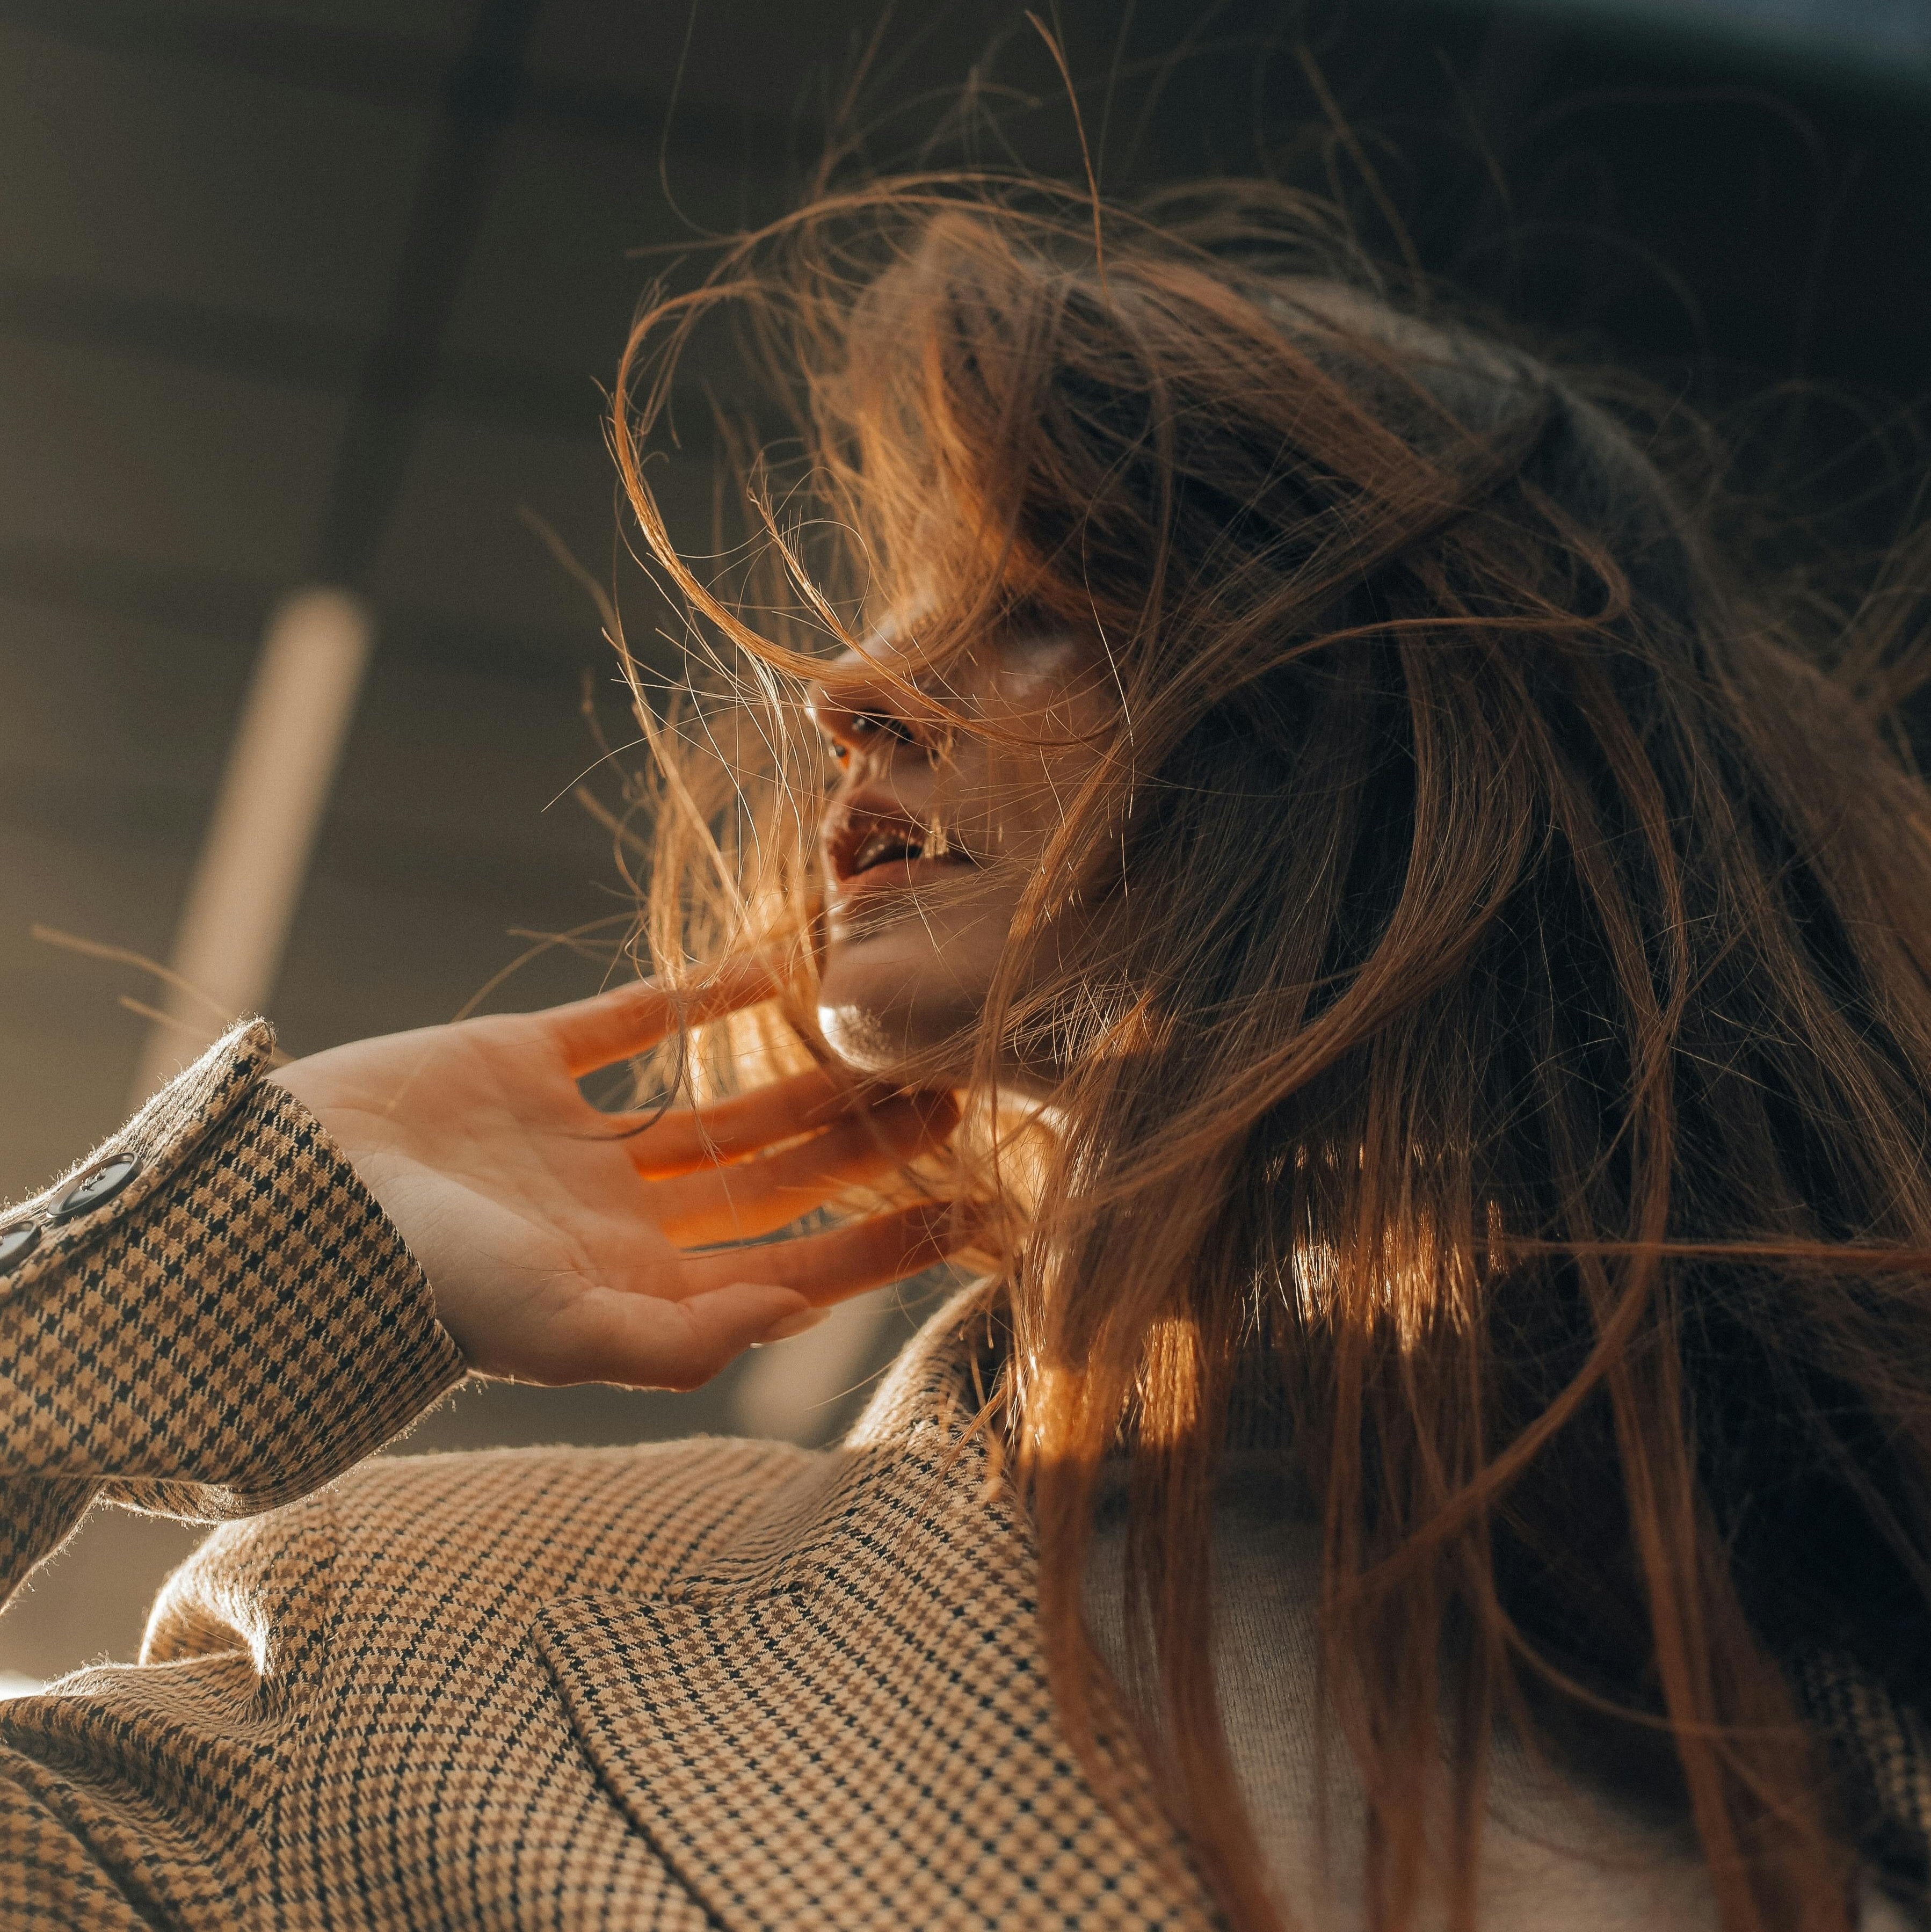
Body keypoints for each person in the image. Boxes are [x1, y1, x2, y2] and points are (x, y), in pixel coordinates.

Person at [4, 175, 1931, 1932]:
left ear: (1412, 744)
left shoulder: (1856, 1708)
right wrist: (156, 1293)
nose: (845, 686)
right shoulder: (438, 1646)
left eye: (1044, 601)